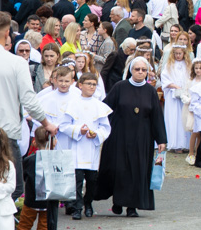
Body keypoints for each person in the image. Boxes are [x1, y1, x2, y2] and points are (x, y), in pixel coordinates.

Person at [0, 12, 57, 200]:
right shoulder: (17, 63)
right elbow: (29, 99)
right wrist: (46, 123)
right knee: (13, 188)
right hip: (5, 135)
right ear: (6, 34)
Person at [95, 57, 167, 217]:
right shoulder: (120, 87)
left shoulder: (151, 91)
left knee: (137, 170)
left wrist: (161, 139)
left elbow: (157, 116)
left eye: (143, 70)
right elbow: (105, 108)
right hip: (120, 136)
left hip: (142, 138)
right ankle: (118, 201)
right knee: (119, 169)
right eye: (137, 69)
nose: (140, 72)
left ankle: (132, 207)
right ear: (131, 70)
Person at [59, 72, 113, 220]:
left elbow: (106, 128)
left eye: (94, 84)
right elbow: (64, 125)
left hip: (91, 148)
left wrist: (96, 134)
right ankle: (77, 207)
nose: (92, 87)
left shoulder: (99, 106)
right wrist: (77, 130)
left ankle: (88, 203)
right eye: (89, 84)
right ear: (80, 85)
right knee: (77, 180)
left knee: (91, 180)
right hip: (77, 147)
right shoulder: (73, 104)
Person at [5, 126, 51, 230]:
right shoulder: (53, 161)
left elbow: (25, 177)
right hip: (48, 200)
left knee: (24, 225)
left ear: (34, 143)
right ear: (53, 142)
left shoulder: (29, 160)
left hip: (31, 199)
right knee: (44, 226)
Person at [161, 44, 192, 153]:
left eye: (180, 53)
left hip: (184, 94)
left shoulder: (187, 65)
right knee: (174, 118)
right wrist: (174, 86)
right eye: (176, 54)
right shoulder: (169, 65)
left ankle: (185, 143)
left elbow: (190, 78)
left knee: (184, 118)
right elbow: (165, 79)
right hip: (173, 96)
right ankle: (175, 143)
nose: (178, 56)